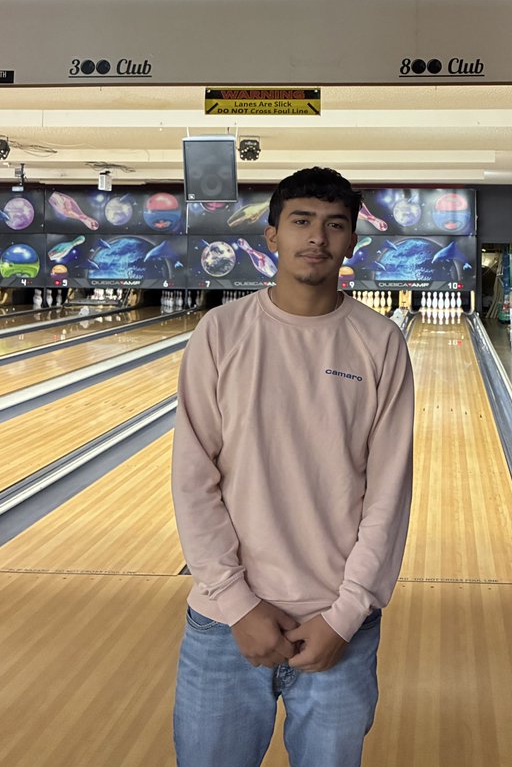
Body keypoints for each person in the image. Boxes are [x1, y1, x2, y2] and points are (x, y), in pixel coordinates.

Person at [171, 167, 415, 767]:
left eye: (336, 226)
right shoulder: (220, 332)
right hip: (224, 624)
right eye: (301, 222)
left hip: (339, 626)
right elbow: (193, 479)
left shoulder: (380, 342)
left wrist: (346, 615)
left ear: (352, 240)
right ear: (271, 235)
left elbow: (389, 493)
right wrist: (236, 603)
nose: (318, 238)